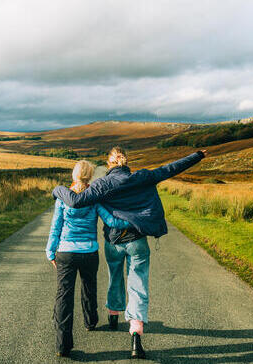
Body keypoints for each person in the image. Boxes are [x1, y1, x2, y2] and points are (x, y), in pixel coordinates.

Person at [52, 147, 206, 359]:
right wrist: (197, 155)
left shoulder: (102, 184)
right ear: (126, 161)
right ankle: (135, 336)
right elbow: (170, 169)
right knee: (138, 285)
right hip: (137, 241)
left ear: (109, 164)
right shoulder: (142, 177)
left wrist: (57, 190)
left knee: (115, 276)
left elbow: (77, 201)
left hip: (113, 242)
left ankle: (114, 314)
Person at [45, 160, 132, 358]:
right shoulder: (94, 199)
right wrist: (133, 221)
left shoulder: (62, 198)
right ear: (90, 176)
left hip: (66, 253)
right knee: (89, 287)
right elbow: (111, 220)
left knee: (63, 297)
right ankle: (90, 321)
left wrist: (51, 252)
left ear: (74, 175)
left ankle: (62, 346)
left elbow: (55, 227)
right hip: (89, 252)